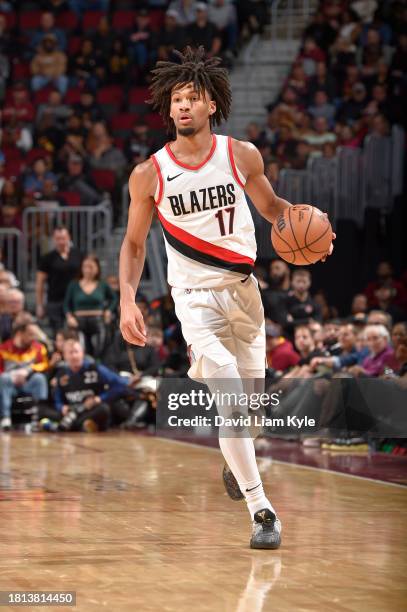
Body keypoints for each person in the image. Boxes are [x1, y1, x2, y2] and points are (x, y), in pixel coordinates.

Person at [119, 47, 334, 549]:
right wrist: (127, 298)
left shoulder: (241, 155)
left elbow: (275, 208)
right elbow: (132, 245)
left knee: (251, 414)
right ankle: (263, 513)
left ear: (211, 104)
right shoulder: (149, 174)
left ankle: (235, 459)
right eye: (177, 100)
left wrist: (313, 232)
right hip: (194, 301)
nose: (184, 107)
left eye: (193, 98)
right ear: (168, 109)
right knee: (232, 403)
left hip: (245, 296)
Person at [54, 338, 129, 432]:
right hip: (72, 410)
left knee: (103, 409)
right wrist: (62, 407)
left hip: (91, 409)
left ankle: (71, 426)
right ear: (64, 356)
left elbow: (120, 384)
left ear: (82, 353)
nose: (74, 356)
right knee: (43, 410)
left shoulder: (94, 369)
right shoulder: (61, 374)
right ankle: (80, 425)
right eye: (70, 352)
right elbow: (57, 398)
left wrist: (100, 398)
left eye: (76, 352)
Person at [64, 254, 117, 358]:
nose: (88, 270)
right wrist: (69, 317)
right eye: (85, 267)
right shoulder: (74, 285)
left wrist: (108, 311)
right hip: (79, 321)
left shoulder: (102, 284)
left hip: (97, 320)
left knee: (100, 349)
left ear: (97, 268)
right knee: (82, 350)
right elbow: (66, 304)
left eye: (91, 267)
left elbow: (114, 299)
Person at [0, 321, 49, 430]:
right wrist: (13, 376)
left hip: (28, 382)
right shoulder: (3, 348)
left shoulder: (38, 348)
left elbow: (44, 364)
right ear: (19, 334)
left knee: (39, 378)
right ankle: (5, 417)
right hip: (9, 385)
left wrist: (29, 371)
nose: (34, 338)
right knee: (3, 379)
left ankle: (40, 416)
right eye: (31, 334)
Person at [36, 226, 83, 334]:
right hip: (55, 301)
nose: (61, 241)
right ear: (53, 239)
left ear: (69, 237)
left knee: (75, 332)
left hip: (75, 300)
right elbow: (40, 283)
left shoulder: (79, 254)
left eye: (63, 237)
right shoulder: (47, 258)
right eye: (58, 238)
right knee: (58, 333)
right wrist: (39, 305)